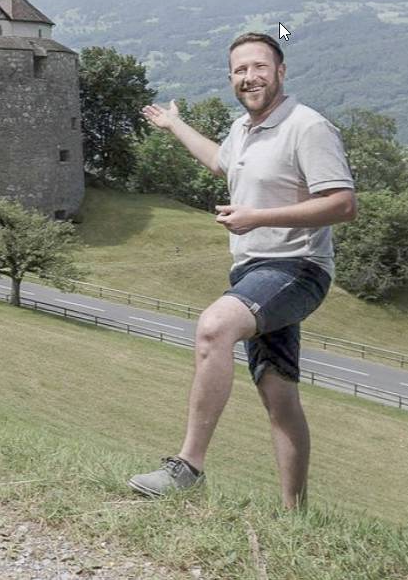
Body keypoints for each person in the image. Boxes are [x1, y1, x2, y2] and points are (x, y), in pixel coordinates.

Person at [128, 32, 356, 509]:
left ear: (281, 72)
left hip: (298, 268)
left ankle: (187, 467)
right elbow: (221, 162)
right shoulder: (243, 130)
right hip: (254, 273)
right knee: (279, 395)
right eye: (239, 70)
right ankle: (296, 517)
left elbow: (342, 204)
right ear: (231, 78)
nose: (249, 77)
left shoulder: (308, 127)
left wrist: (258, 217)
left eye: (259, 67)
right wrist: (175, 125)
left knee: (214, 327)